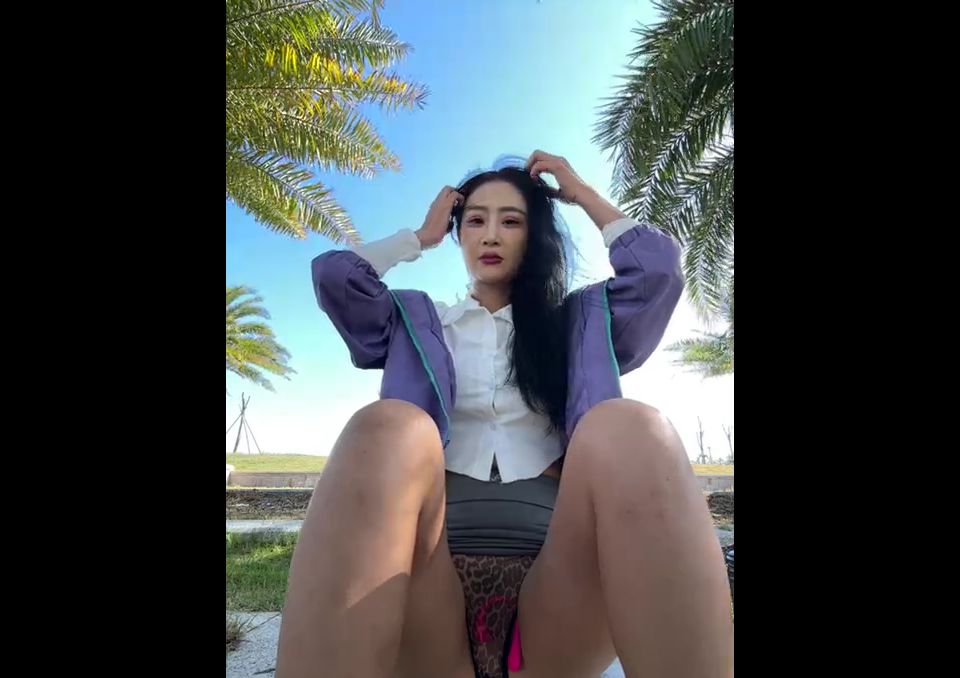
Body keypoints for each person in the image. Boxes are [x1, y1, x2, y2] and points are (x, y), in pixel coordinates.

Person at [276, 151, 733, 678]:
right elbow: (336, 276)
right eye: (475, 221)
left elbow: (657, 270)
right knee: (387, 426)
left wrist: (580, 193)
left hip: (560, 592)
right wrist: (419, 238)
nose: (491, 235)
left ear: (534, 236)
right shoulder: (414, 321)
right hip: (425, 587)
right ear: (458, 234)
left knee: (631, 426)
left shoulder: (579, 325)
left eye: (511, 221)